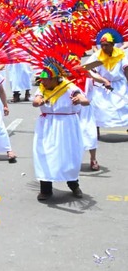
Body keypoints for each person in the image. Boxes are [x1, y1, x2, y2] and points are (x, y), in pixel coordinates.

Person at [33, 67, 90, 201]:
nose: (43, 81)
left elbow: (85, 101)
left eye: (46, 79)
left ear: (54, 78)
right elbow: (35, 101)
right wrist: (39, 102)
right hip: (47, 126)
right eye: (42, 79)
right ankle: (46, 189)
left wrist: (79, 100)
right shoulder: (42, 88)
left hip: (67, 126)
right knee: (45, 155)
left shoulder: (69, 87)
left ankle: (73, 184)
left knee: (68, 156)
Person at [86, 32, 128, 135]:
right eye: (102, 45)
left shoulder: (121, 54)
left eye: (106, 45)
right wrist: (103, 80)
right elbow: (88, 70)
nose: (104, 47)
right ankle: (96, 129)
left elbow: (126, 69)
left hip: (119, 85)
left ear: (113, 44)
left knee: (124, 106)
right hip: (102, 86)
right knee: (99, 108)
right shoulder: (97, 56)